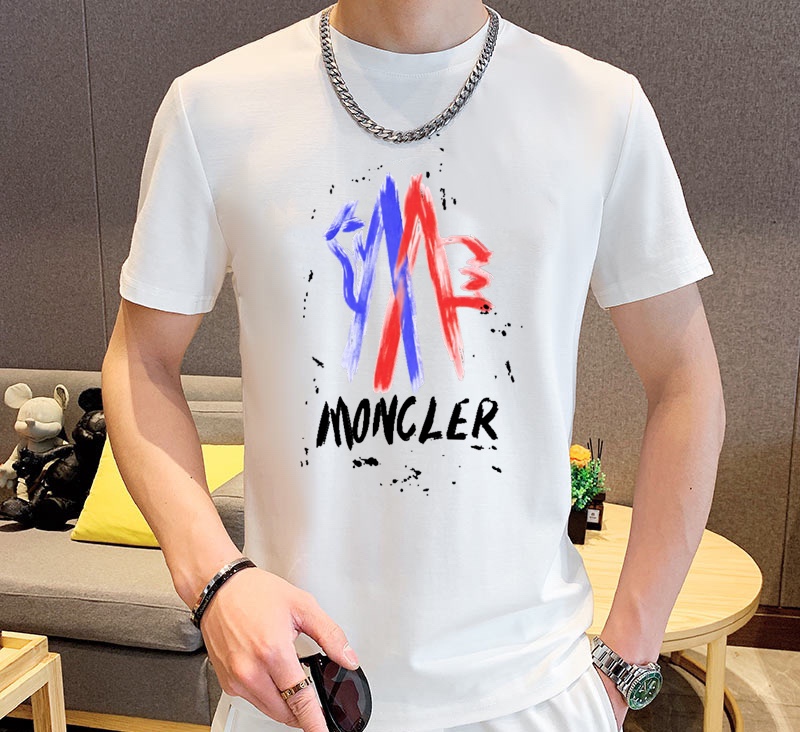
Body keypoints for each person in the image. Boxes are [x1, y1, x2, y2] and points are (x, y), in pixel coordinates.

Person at [101, 1, 726, 731]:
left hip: (535, 692)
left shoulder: (600, 109)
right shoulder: (214, 108)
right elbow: (141, 359)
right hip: (298, 691)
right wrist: (215, 579)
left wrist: (629, 657)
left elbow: (684, 381)